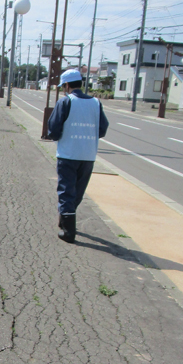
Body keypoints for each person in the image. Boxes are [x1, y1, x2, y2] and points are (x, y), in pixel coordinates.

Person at [47, 69, 109, 243]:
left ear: (67, 85)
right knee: (77, 192)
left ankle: (68, 232)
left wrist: (61, 136)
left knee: (66, 191)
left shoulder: (66, 101)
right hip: (88, 155)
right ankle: (66, 220)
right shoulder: (96, 103)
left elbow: (53, 129)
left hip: (68, 153)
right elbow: (102, 129)